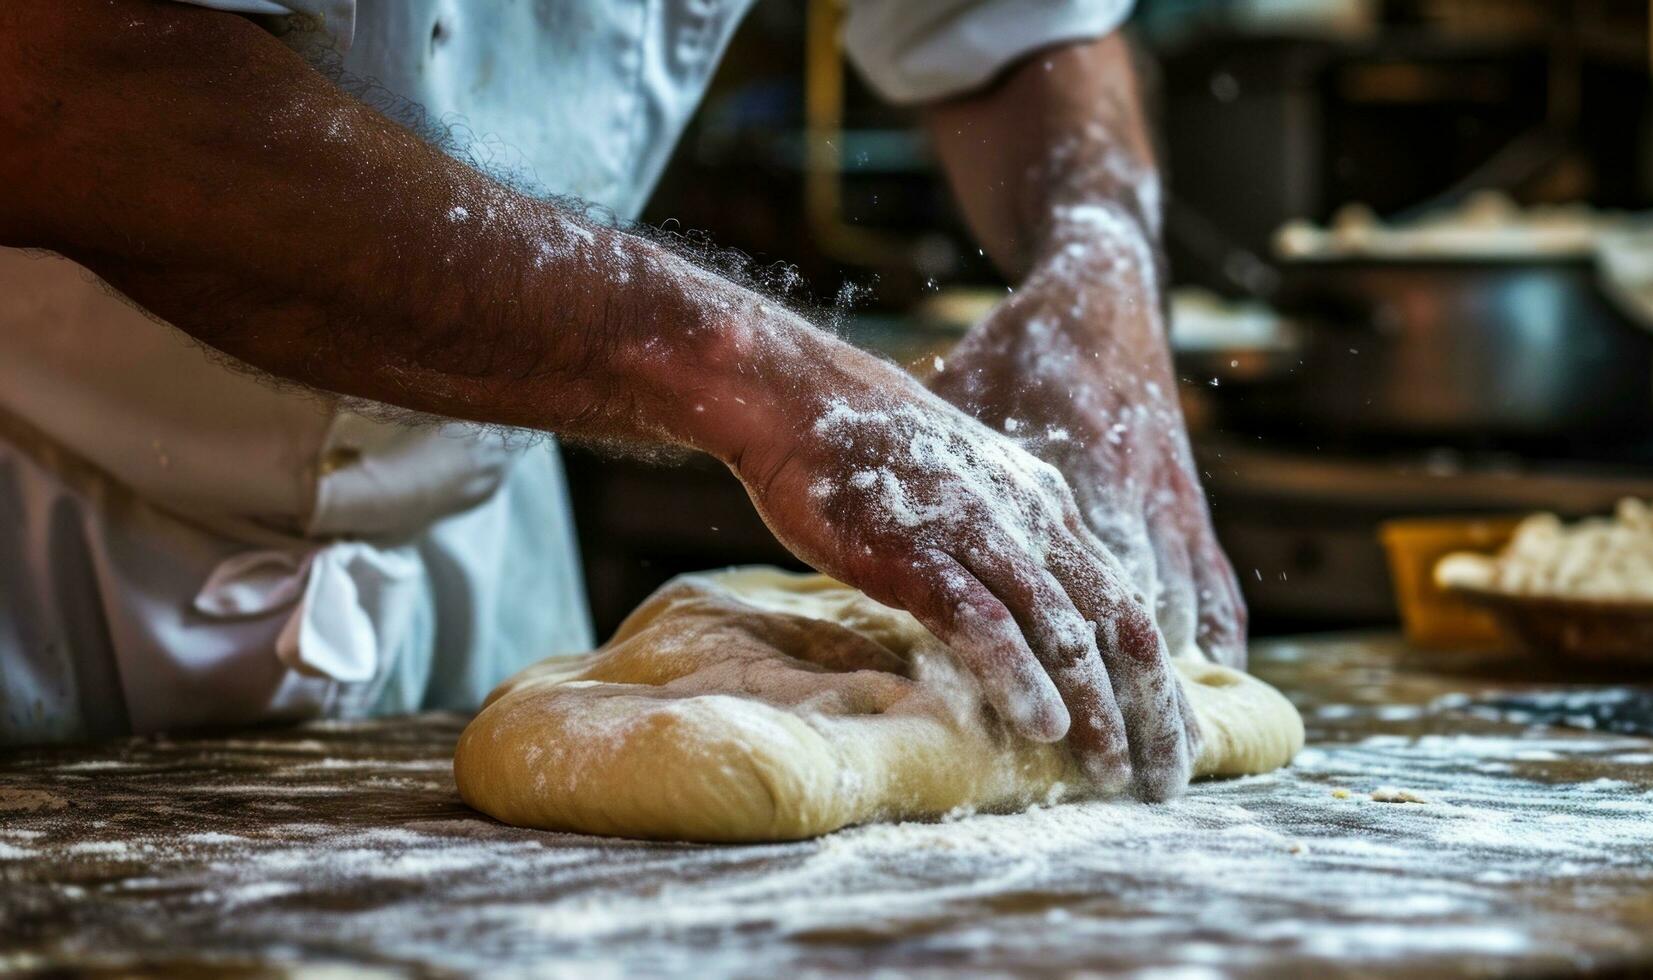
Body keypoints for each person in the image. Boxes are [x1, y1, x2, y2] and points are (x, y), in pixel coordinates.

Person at [0, 0, 1246, 799]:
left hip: (475, 574)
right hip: (43, 535)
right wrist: (750, 371)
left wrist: (1103, 267)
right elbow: (78, 92)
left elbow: (1016, 26)